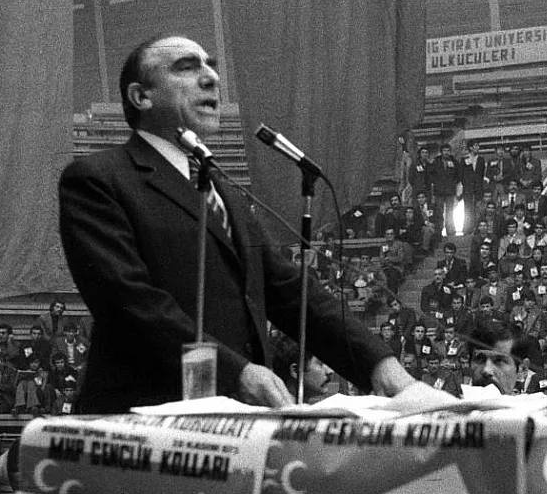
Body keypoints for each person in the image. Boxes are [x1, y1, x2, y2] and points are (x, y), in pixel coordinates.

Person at [57, 35, 441, 412]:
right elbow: (129, 302)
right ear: (141, 96)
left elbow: (289, 292)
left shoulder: (223, 191)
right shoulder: (98, 180)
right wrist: (236, 373)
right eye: (187, 67)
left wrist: (382, 366)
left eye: (211, 66)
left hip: (234, 422)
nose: (211, 77)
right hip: (139, 419)